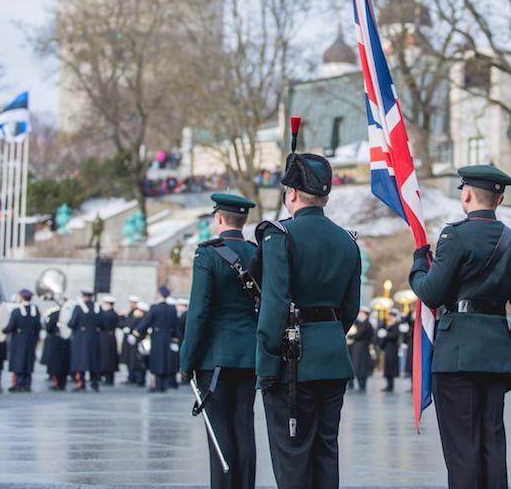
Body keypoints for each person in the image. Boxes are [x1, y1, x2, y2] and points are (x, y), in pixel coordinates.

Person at [409, 165, 511, 489]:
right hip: (498, 354)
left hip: (457, 356)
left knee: (462, 450)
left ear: (466, 194)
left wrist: (417, 267)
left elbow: (431, 293)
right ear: (501, 199)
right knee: (492, 446)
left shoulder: (455, 235)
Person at [255, 151, 361, 489]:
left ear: (291, 194)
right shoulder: (347, 241)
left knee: (292, 456)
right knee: (325, 451)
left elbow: (273, 304)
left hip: (292, 361)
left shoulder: (279, 236)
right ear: (325, 196)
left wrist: (267, 363)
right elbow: (351, 308)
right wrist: (327, 334)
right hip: (332, 358)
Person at [180, 193, 259, 489]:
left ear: (219, 218)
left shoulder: (207, 254)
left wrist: (187, 361)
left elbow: (198, 312)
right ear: (244, 220)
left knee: (219, 430)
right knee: (244, 427)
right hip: (250, 356)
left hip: (215, 360)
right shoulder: (256, 253)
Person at [133, 286, 178, 392]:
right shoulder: (172, 309)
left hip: (157, 337)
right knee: (166, 360)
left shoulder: (155, 308)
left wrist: (137, 332)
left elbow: (147, 321)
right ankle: (164, 385)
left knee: (157, 361)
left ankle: (157, 384)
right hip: (167, 337)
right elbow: (176, 325)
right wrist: (175, 339)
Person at [3, 289, 41, 392]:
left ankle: (18, 383)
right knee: (28, 361)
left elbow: (11, 326)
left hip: (19, 339)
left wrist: (2, 330)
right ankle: (27, 383)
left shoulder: (17, 311)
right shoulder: (35, 310)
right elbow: (38, 327)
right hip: (31, 339)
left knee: (18, 361)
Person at [68, 290, 103, 391]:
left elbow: (72, 323)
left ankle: (81, 383)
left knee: (80, 361)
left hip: (81, 338)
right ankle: (95, 383)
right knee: (94, 361)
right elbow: (104, 324)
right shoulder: (98, 308)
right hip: (95, 337)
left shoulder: (79, 308)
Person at [42, 298, 70, 391]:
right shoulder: (69, 314)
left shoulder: (54, 314)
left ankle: (57, 381)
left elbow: (48, 327)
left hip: (55, 340)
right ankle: (63, 381)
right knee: (64, 362)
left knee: (55, 363)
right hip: (66, 340)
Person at [120, 295, 146, 386]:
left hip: (137, 338)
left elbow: (134, 324)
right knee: (130, 358)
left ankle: (138, 378)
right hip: (130, 338)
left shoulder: (138, 314)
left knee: (137, 360)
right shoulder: (130, 313)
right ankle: (131, 376)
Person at [347, 307, 374, 391]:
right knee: (357, 366)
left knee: (361, 367)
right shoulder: (360, 323)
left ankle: (362, 385)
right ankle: (356, 384)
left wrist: (350, 336)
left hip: (362, 348)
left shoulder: (366, 324)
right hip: (357, 347)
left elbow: (359, 334)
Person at [377, 308, 401, 392]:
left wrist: (386, 335)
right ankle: (388, 384)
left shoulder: (396, 325)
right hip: (387, 347)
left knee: (391, 365)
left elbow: (395, 335)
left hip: (392, 347)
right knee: (387, 365)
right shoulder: (388, 324)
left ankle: (390, 385)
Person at [98, 295, 120, 385]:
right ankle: (109, 377)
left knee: (105, 358)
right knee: (111, 358)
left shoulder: (106, 314)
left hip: (104, 337)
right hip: (112, 337)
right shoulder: (115, 314)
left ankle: (105, 376)